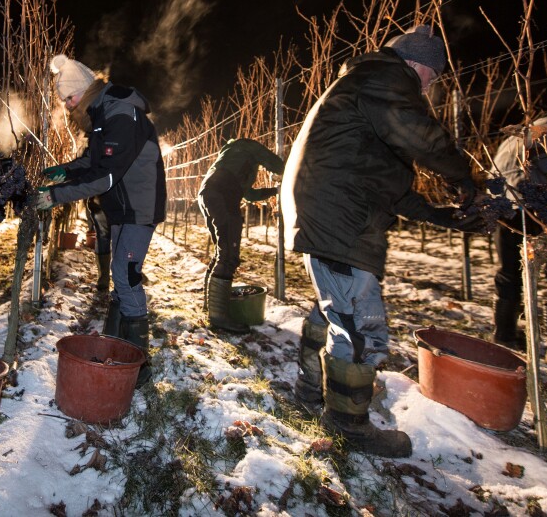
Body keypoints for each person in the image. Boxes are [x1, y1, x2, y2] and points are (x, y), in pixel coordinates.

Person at [280, 25, 482, 458]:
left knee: (332, 307)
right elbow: (422, 136)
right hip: (342, 217)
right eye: (432, 75)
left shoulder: (366, 89)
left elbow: (388, 185)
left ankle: (311, 388)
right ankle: (347, 424)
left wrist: (442, 217)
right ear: (416, 64)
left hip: (333, 209)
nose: (431, 86)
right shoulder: (385, 80)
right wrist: (465, 176)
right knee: (360, 325)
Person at [33, 54, 166, 386]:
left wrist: (54, 196)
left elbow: (106, 176)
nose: (66, 106)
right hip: (123, 205)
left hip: (139, 205)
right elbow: (93, 159)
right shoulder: (104, 114)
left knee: (127, 275)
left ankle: (139, 367)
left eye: (69, 99)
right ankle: (116, 344)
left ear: (84, 90)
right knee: (120, 276)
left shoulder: (121, 113)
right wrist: (65, 170)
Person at [492, 110, 547, 361]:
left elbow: (493, 178)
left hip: (507, 212)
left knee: (508, 275)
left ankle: (504, 336)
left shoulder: (514, 138)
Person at [198, 138, 284, 333]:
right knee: (229, 256)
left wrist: (275, 190)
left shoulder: (232, 159)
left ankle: (210, 307)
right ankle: (219, 317)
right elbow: (277, 164)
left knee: (223, 251)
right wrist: (286, 175)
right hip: (223, 193)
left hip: (209, 193)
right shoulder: (246, 145)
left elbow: (249, 195)